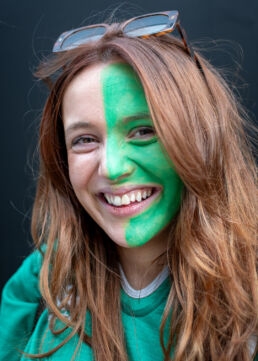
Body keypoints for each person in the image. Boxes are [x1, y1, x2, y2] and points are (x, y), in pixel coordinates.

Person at [0, 10, 257, 361]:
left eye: (143, 131)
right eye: (85, 139)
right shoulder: (45, 277)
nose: (112, 167)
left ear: (202, 139)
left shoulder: (250, 291)